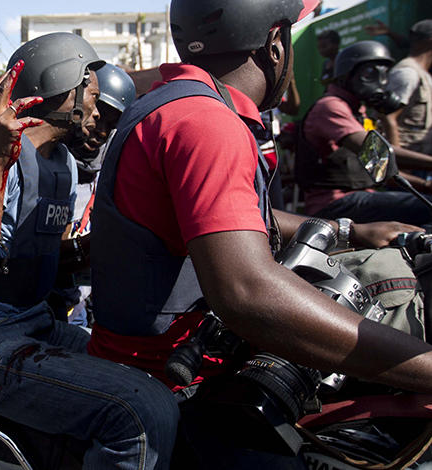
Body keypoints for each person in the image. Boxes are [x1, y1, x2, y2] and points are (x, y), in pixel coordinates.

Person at [86, 0, 432, 467]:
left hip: (159, 367)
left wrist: (351, 231)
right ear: (274, 45)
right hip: (180, 389)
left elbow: (236, 219)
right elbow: (246, 293)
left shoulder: (179, 102)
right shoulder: (207, 124)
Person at [0, 32, 179, 470]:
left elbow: (51, 257)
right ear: (61, 85)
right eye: (94, 97)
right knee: (141, 413)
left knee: (152, 375)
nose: (100, 112)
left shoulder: (61, 162)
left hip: (35, 327)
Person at [298, 40, 432, 225]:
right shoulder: (330, 107)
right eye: (370, 74)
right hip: (334, 204)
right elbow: (377, 152)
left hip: (361, 196)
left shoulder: (358, 111)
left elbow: (382, 168)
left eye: (384, 75)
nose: (381, 83)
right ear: (347, 76)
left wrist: (425, 186)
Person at [47, 63, 136, 325]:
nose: (102, 131)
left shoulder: (110, 169)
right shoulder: (47, 163)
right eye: (99, 116)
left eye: (112, 124)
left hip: (79, 305)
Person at [386, 19, 432, 155]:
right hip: (408, 163)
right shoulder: (408, 73)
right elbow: (388, 117)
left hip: (421, 159)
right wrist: (398, 166)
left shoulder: (424, 74)